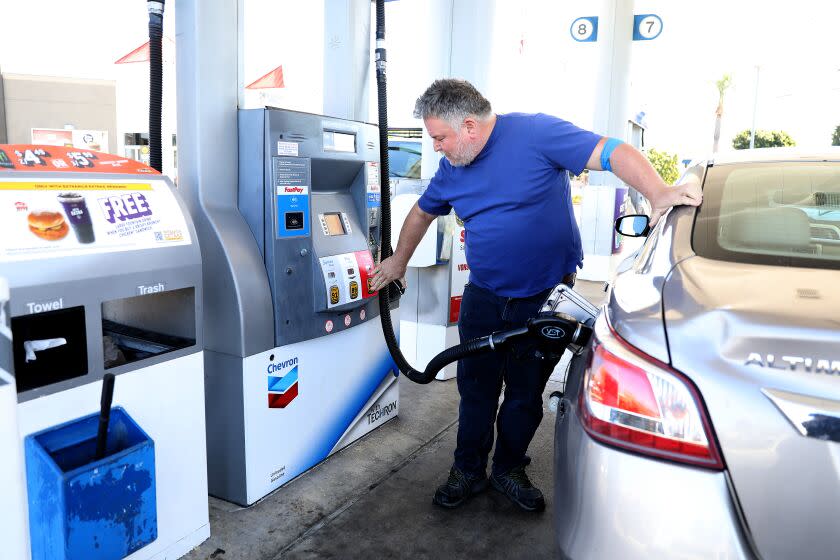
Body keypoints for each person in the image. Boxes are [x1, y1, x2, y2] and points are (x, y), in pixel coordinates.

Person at [368, 79, 702, 513]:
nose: (436, 148)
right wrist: (397, 261)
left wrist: (659, 193)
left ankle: (509, 469)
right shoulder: (454, 167)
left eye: (439, 138)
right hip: (484, 298)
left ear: (469, 126)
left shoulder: (537, 134)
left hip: (544, 299)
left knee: (525, 393)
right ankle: (467, 470)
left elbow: (613, 151)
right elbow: (422, 211)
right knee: (476, 391)